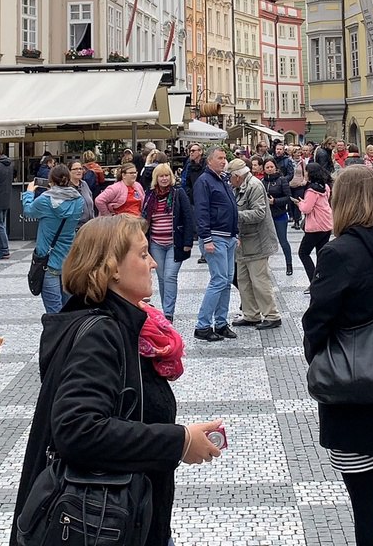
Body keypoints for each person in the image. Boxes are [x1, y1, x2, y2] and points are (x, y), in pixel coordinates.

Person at [12, 215, 224, 546]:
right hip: (105, 523)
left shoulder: (119, 323)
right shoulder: (101, 333)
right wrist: (179, 441)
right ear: (111, 268)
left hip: (127, 515)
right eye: (142, 254)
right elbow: (77, 429)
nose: (153, 262)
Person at [303, 166, 373, 546]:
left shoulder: (338, 253)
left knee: (364, 504)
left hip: (349, 389)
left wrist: (317, 357)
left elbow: (318, 320)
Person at [23, 164, 85, 315]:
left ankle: (57, 338)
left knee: (54, 313)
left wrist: (29, 193)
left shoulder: (44, 200)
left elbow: (28, 211)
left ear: (51, 180)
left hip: (48, 262)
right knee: (68, 310)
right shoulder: (79, 200)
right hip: (69, 261)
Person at [228, 158, 281, 330]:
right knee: (243, 279)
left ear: (237, 176)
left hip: (257, 241)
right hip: (243, 242)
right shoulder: (237, 187)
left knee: (259, 281)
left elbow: (259, 213)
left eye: (230, 176)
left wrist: (235, 215)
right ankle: (251, 315)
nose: (228, 179)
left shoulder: (255, 186)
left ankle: (272, 316)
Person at [193, 148, 239, 342]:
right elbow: (201, 211)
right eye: (219, 158)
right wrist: (206, 238)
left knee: (226, 281)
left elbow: (231, 206)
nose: (223, 161)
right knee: (219, 280)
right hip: (215, 236)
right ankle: (202, 325)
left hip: (227, 236)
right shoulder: (204, 181)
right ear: (209, 161)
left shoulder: (222, 179)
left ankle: (220, 323)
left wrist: (235, 233)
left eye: (224, 158)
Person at [142, 161, 193, 321]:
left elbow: (188, 217)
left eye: (166, 176)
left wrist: (187, 242)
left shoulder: (178, 193)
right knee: (162, 278)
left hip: (174, 243)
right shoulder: (150, 196)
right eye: (161, 176)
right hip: (156, 243)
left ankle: (168, 313)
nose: (164, 179)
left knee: (170, 276)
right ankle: (166, 309)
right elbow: (144, 220)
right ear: (156, 178)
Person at [296, 160, 334, 288]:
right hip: (326, 224)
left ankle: (314, 282)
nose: (304, 174)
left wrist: (299, 203)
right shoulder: (326, 186)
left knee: (303, 253)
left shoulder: (312, 190)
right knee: (320, 254)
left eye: (306, 171)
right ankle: (322, 280)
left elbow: (306, 209)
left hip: (315, 226)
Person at [264, 155, 296, 274]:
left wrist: (275, 201)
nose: (269, 169)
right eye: (267, 167)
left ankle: (289, 264)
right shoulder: (262, 182)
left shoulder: (282, 180)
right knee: (265, 241)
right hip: (267, 216)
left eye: (271, 166)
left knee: (283, 240)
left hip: (280, 214)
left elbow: (288, 198)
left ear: (275, 168)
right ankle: (264, 265)